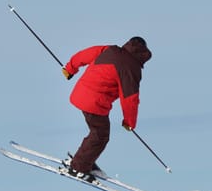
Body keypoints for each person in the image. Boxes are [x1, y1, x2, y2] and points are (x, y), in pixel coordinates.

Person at [61, 36, 152, 182]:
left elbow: (83, 55)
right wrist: (129, 121)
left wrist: (70, 68)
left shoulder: (110, 49)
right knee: (100, 135)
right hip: (95, 103)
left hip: (79, 93)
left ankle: (83, 160)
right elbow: (130, 99)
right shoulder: (132, 69)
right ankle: (78, 167)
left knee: (97, 133)